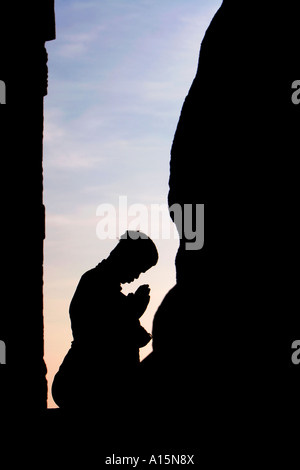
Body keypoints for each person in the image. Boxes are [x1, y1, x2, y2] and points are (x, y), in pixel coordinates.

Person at [52, 230, 159, 412]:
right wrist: (132, 311)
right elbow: (103, 334)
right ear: (126, 256)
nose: (137, 276)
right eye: (139, 268)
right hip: (83, 384)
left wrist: (131, 311)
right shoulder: (94, 284)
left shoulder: (107, 290)